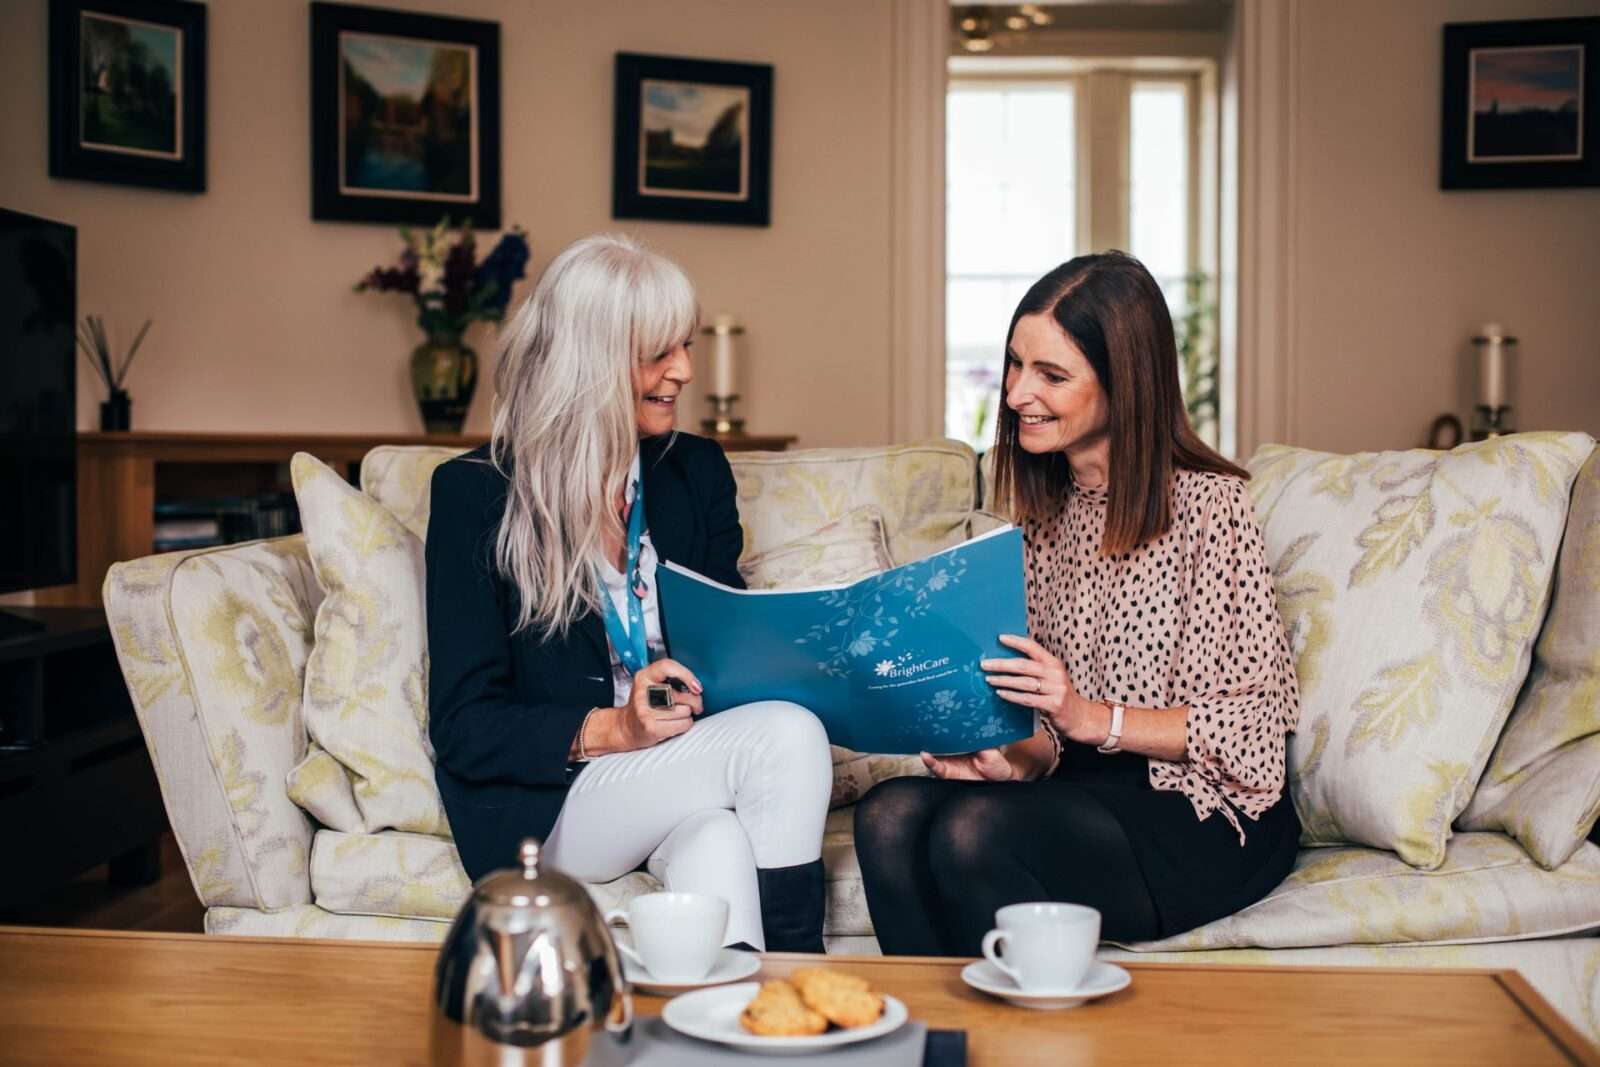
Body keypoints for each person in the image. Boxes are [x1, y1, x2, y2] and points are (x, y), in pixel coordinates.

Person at [854, 251, 1301, 956]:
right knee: (888, 814)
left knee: (970, 832)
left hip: (1203, 812)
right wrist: (1008, 757)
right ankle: (943, 1039)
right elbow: (1050, 740)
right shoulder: (1040, 519)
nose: (1016, 393)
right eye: (1014, 364)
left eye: (1051, 375)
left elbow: (1250, 727)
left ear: (1126, 385)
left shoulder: (1211, 505)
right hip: (1084, 789)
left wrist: (1086, 716)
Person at [425, 234, 833, 952]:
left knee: (718, 840)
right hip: (556, 800)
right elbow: (464, 723)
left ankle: (733, 1031)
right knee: (786, 736)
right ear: (591, 360)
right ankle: (804, 985)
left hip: (679, 768)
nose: (682, 371)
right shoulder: (476, 494)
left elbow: (726, 642)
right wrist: (617, 729)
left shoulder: (695, 471)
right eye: (657, 352)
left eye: (685, 346)